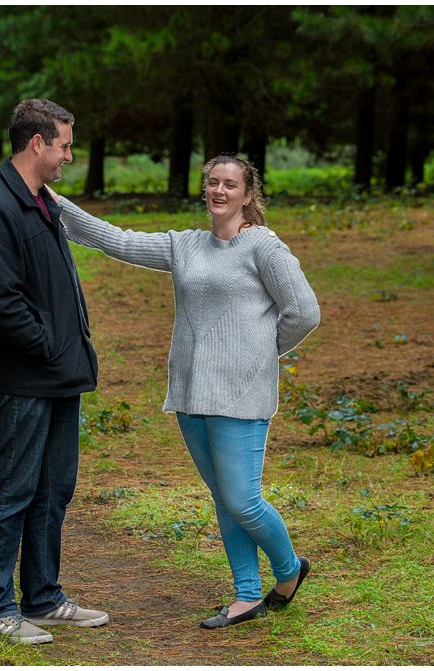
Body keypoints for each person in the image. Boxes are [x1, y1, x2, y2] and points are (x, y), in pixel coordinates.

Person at [49, 155, 320, 629]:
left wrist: (258, 354)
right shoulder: (186, 246)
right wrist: (53, 203)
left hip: (241, 395)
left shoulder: (264, 248)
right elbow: (117, 240)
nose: (219, 191)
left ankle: (288, 568)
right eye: (212, 182)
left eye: (229, 185)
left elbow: (304, 311)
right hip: (192, 393)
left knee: (243, 499)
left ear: (248, 195)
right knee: (223, 498)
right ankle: (247, 594)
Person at [0, 99, 109, 644]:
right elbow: (3, 302)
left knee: (54, 490)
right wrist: (48, 347)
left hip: (59, 375)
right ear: (37, 144)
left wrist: (68, 352)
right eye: (65, 145)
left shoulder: (43, 201)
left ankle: (43, 598)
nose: (70, 155)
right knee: (12, 490)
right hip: (24, 378)